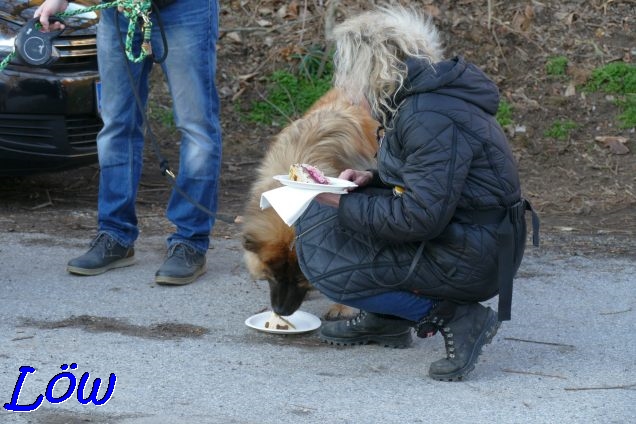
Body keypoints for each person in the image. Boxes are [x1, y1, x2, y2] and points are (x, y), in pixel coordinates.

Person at [294, 5, 539, 381]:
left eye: (348, 70)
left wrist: (343, 203)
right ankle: (385, 320)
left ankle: (458, 316)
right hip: (471, 236)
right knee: (318, 221)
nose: (345, 83)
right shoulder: (422, 101)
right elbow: (431, 183)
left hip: (474, 254)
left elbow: (420, 216)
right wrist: (369, 180)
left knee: (330, 263)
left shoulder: (428, 115)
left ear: (372, 68)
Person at [35, 0, 223, 285]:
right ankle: (115, 234)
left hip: (185, 10)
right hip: (118, 13)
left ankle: (191, 242)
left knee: (196, 126)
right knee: (116, 125)